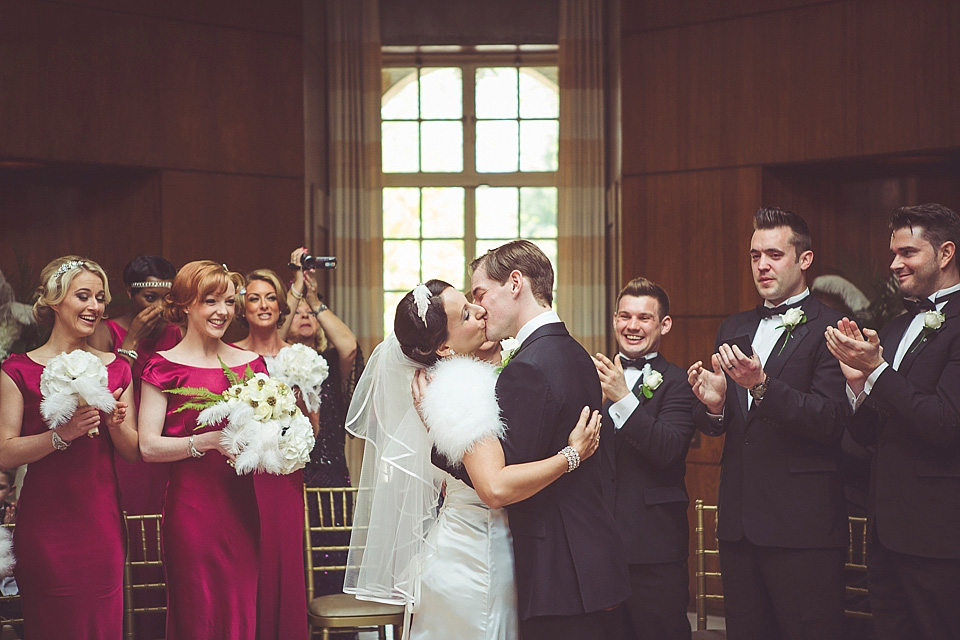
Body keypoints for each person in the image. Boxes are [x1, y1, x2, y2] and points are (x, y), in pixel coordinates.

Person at [345, 280, 602, 640]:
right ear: (445, 346)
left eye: (470, 301)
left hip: (467, 545)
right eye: (466, 313)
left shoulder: (465, 376)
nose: (479, 310)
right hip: (476, 558)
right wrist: (571, 455)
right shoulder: (461, 389)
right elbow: (494, 488)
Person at [687, 207, 848, 640]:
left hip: (803, 527)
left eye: (774, 254)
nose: (762, 265)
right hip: (739, 525)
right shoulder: (734, 327)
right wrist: (716, 406)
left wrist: (761, 385)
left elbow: (830, 419)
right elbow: (724, 428)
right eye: (755, 255)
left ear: (804, 259)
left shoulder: (832, 329)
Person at [469, 240, 630, 640]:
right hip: (589, 558)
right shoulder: (573, 351)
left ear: (515, 283)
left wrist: (444, 439)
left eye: (481, 293)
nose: (478, 308)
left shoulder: (528, 368)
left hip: (557, 570)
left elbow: (501, 479)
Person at [825, 203, 960, 640]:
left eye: (907, 253)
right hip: (885, 533)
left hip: (939, 537)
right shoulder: (898, 327)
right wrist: (860, 385)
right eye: (892, 253)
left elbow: (945, 423)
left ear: (945, 253)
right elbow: (871, 436)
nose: (894, 264)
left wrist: (880, 372)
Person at [0, 256, 138, 639]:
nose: (95, 307)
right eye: (83, 296)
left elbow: (132, 451)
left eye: (100, 298)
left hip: (101, 524)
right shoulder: (16, 370)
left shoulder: (118, 369)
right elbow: (4, 451)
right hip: (46, 529)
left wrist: (114, 425)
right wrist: (62, 435)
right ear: (53, 300)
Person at [138, 261, 263, 640]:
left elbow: (267, 431)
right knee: (197, 611)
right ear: (187, 305)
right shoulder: (162, 367)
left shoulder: (253, 364)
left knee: (240, 607)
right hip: (191, 512)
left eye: (228, 301)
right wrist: (203, 442)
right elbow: (147, 446)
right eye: (210, 301)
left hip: (243, 507)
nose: (222, 311)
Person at [593, 277, 696, 640]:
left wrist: (623, 399)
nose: (632, 326)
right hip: (599, 546)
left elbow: (667, 449)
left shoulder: (680, 382)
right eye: (624, 316)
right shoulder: (593, 379)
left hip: (655, 549)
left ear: (664, 324)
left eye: (644, 318)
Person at [233, 268, 308, 640]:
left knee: (286, 561)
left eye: (270, 298)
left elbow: (315, 426)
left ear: (281, 307)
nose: (263, 305)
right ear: (242, 309)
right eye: (254, 298)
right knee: (250, 560)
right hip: (246, 472)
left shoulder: (300, 358)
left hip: (287, 472)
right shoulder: (231, 357)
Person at [90, 254, 181, 516]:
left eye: (167, 299)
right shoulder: (105, 332)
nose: (160, 307)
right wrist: (131, 341)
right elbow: (103, 391)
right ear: (130, 292)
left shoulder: (176, 333)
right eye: (150, 298)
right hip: (123, 435)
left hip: (165, 438)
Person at [281, 247, 360, 489]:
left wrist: (314, 299)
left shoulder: (330, 363)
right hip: (288, 472)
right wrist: (296, 288)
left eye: (310, 313)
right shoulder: (275, 361)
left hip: (332, 474)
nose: (305, 317)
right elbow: (272, 336)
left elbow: (350, 346)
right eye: (297, 313)